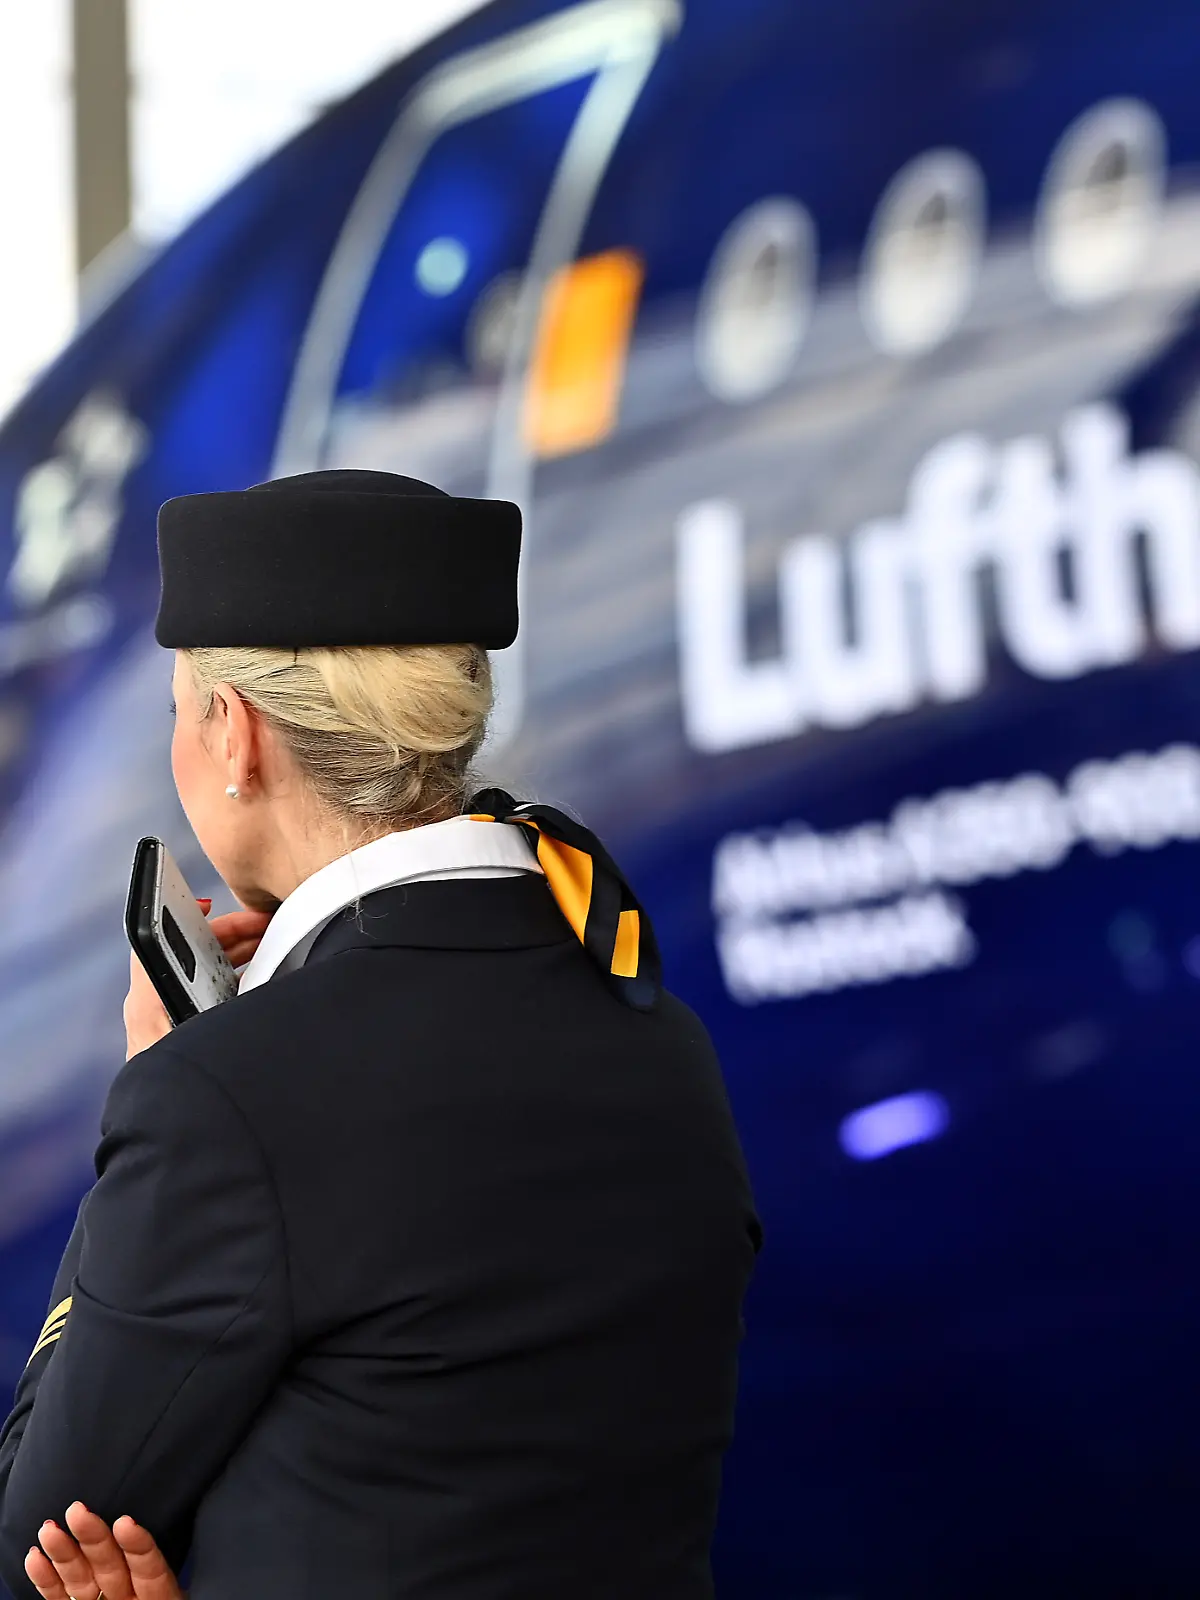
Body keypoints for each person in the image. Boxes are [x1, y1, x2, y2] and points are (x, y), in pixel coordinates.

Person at [0, 470, 761, 1600]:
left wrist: (159, 1079)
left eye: (178, 711)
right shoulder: (661, 1041)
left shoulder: (222, 1101)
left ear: (236, 738)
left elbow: (32, 1534)